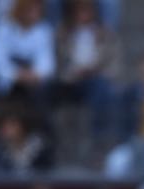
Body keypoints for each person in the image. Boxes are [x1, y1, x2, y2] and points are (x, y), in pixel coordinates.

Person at [54, 0, 116, 146]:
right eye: (80, 11)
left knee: (102, 88)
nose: (84, 15)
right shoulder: (63, 33)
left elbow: (114, 64)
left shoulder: (105, 33)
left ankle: (98, 137)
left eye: (87, 11)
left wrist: (95, 70)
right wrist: (73, 72)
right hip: (69, 81)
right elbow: (57, 61)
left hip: (95, 79)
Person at [0, 0, 52, 112]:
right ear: (20, 10)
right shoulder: (2, 28)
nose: (34, 14)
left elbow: (47, 63)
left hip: (34, 82)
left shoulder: (43, 30)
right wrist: (17, 74)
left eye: (37, 11)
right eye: (30, 10)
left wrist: (34, 74)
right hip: (7, 82)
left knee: (42, 93)